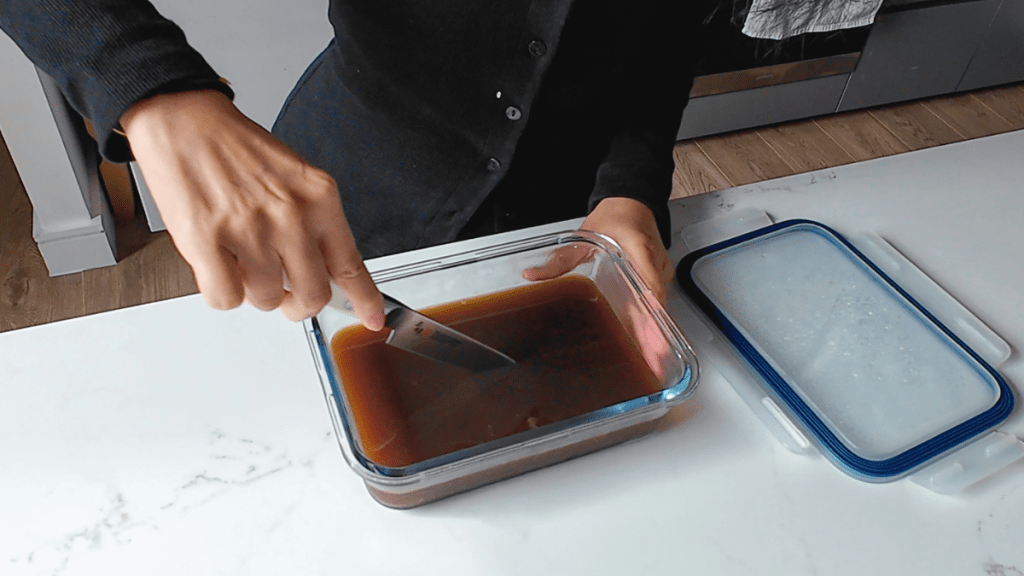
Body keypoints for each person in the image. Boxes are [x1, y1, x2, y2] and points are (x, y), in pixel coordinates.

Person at [0, 0, 709, 330]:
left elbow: (668, 31)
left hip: (568, 236)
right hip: (330, 224)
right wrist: (152, 88)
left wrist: (632, 189)